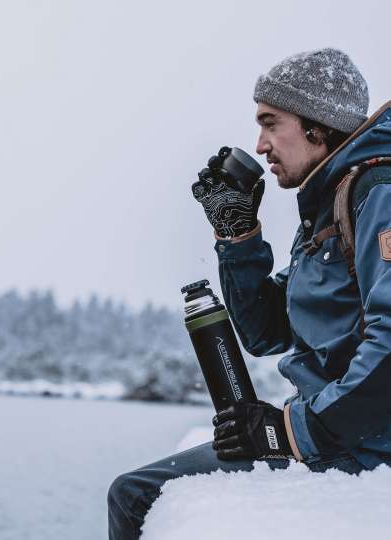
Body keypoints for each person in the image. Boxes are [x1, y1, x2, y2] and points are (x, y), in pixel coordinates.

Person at [107, 47, 391, 540]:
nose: (260, 145)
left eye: (270, 122)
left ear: (315, 125)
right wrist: (238, 236)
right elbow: (267, 332)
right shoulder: (329, 206)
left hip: (361, 446)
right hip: (335, 436)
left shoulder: (378, 193)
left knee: (134, 496)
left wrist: (290, 430)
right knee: (133, 492)